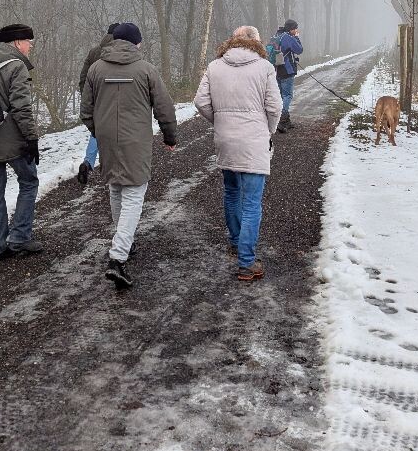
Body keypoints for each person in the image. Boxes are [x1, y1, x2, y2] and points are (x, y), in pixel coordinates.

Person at [81, 22, 176, 289]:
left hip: (107, 140)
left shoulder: (96, 69)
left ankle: (125, 241)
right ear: (137, 43)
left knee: (116, 188)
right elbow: (164, 106)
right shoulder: (146, 69)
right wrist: (170, 136)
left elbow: (86, 110)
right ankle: (118, 257)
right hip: (136, 141)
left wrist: (99, 132)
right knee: (134, 195)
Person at [194, 26, 282, 281]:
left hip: (225, 140)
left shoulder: (215, 66)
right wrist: (268, 129)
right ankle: (246, 262)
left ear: (233, 41)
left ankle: (235, 242)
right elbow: (275, 106)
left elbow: (200, 101)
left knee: (232, 192)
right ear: (256, 41)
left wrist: (219, 121)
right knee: (252, 202)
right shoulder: (265, 67)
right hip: (253, 141)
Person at [0, 23, 43, 263]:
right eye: (28, 42)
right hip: (14, 140)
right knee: (29, 182)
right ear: (17, 42)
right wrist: (31, 137)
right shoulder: (16, 66)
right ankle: (19, 238)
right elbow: (21, 107)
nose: (30, 47)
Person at [76, 22, 119, 186]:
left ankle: (88, 162)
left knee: (97, 130)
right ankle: (113, 166)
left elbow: (83, 77)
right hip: (112, 98)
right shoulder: (119, 51)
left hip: (94, 98)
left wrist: (86, 98)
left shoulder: (94, 51)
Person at [272, 18, 303, 133]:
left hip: (276, 70)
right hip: (287, 70)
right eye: (295, 28)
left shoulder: (277, 36)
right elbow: (299, 50)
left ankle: (286, 121)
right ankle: (282, 119)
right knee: (287, 95)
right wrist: (296, 37)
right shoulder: (288, 37)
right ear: (291, 29)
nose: (296, 30)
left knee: (281, 95)